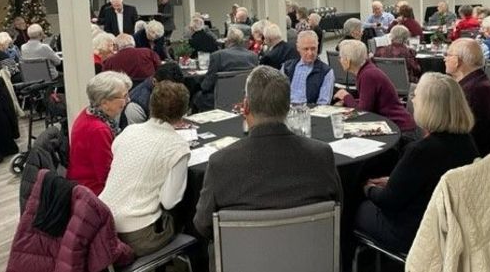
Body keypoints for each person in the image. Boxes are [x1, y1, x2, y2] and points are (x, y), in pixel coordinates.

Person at [194, 65, 342, 239]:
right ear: (288, 107)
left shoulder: (221, 163)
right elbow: (338, 209)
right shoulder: (321, 155)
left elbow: (202, 225)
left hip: (241, 262)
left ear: (245, 107)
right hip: (311, 260)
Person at [355, 72, 479, 253]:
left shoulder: (420, 151)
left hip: (415, 231)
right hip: (450, 224)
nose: (412, 100)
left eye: (416, 96)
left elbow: (389, 201)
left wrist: (367, 188)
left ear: (429, 107)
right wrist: (393, 182)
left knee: (354, 205)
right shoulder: (466, 141)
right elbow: (427, 181)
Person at [100, 81, 191, 256]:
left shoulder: (129, 131)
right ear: (183, 112)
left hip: (102, 225)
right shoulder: (177, 146)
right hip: (138, 234)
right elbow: (169, 201)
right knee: (186, 211)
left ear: (151, 104)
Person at [67, 71, 132, 195]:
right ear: (104, 103)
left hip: (82, 184)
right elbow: (107, 176)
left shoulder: (89, 113)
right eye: (124, 96)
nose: (128, 100)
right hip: (92, 193)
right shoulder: (98, 130)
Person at [334, 40, 417, 136]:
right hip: (393, 125)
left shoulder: (367, 75)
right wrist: (348, 100)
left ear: (347, 61)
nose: (339, 60)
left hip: (400, 130)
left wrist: (345, 96)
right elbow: (367, 102)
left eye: (340, 57)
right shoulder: (367, 70)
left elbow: (363, 111)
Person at [446, 38, 490, 154]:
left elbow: (461, 134)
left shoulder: (474, 91)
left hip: (474, 156)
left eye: (448, 55)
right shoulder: (479, 83)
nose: (445, 59)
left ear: (457, 61)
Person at [193, 28, 258, 112]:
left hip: (220, 99)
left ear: (227, 40)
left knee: (197, 96)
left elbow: (207, 85)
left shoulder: (217, 56)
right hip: (245, 97)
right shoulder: (253, 56)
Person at [282, 30, 334, 105]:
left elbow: (323, 104)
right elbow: (279, 94)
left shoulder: (326, 72)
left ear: (317, 48)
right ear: (298, 48)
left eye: (313, 49)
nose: (310, 53)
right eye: (306, 49)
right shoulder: (287, 67)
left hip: (309, 112)